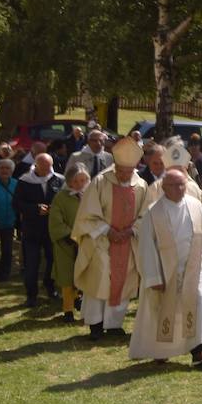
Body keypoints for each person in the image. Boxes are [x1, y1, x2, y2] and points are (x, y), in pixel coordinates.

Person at [130, 169, 202, 367]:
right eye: (173, 185)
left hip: (193, 268)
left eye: (181, 185)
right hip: (164, 271)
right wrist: (153, 277)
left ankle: (199, 349)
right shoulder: (154, 212)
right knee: (163, 310)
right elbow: (146, 247)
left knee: (199, 301)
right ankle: (161, 349)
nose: (178, 189)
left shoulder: (196, 207)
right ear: (163, 187)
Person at [73, 137, 149, 339]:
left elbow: (145, 215)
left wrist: (131, 231)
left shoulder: (141, 185)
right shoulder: (100, 181)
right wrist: (108, 230)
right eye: (121, 171)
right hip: (101, 241)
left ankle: (114, 324)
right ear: (115, 166)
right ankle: (96, 325)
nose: (125, 176)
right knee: (99, 281)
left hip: (128, 241)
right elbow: (87, 214)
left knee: (123, 282)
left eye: (129, 171)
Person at [15, 152, 64, 306]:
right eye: (43, 167)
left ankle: (50, 287)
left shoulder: (59, 180)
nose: (47, 171)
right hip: (32, 229)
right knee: (31, 263)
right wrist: (35, 209)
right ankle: (31, 295)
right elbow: (16, 204)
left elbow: (64, 202)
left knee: (53, 261)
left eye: (49, 167)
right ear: (36, 166)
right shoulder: (24, 181)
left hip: (52, 229)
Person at [50, 162, 89, 322]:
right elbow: (56, 220)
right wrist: (69, 236)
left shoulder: (90, 196)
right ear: (69, 181)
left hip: (87, 242)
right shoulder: (61, 197)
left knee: (85, 275)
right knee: (67, 277)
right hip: (66, 245)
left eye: (83, 180)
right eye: (76, 181)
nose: (79, 185)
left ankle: (82, 303)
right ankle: (68, 309)